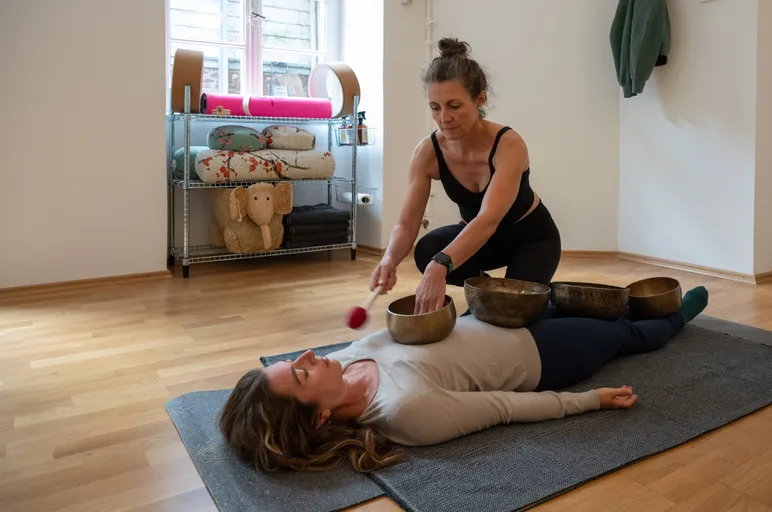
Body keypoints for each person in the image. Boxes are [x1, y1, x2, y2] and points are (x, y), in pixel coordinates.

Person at [218, 285, 710, 473]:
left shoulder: (340, 361)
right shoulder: (405, 412)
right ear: (320, 414)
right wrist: (586, 402)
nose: (308, 355)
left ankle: (648, 299)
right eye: (300, 371)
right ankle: (678, 318)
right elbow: (504, 408)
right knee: (625, 332)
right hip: (540, 356)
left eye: (294, 360)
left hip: (494, 314)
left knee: (588, 297)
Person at [369, 37, 562, 314]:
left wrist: (441, 265)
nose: (444, 117)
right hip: (481, 241)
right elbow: (407, 223)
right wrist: (389, 259)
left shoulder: (509, 144)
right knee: (428, 250)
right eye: (435, 107)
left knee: (514, 315)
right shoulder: (428, 152)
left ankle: (533, 297)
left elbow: (486, 220)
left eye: (454, 106)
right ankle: (492, 294)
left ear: (480, 99)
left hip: (531, 239)